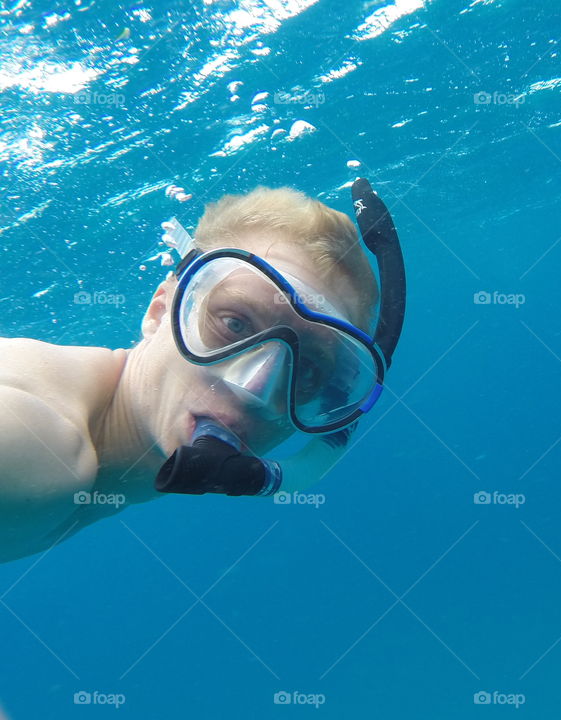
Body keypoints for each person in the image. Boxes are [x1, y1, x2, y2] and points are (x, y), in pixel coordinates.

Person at [0, 178, 405, 563]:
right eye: (234, 324)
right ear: (161, 309)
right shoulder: (44, 454)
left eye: (309, 370)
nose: (256, 388)